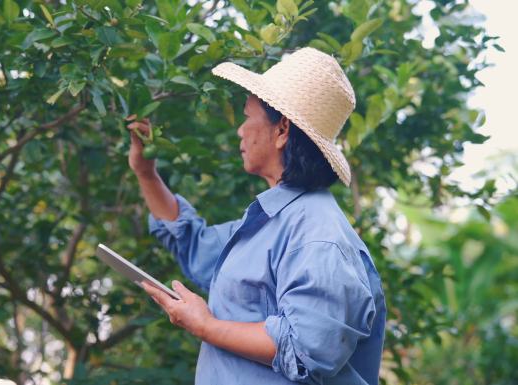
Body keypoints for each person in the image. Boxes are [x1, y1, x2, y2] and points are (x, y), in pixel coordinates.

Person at [127, 47, 386, 385]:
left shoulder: (318, 236)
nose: (240, 130)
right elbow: (196, 246)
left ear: (281, 131)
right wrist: (146, 173)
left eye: (248, 116)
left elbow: (308, 349)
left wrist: (204, 325)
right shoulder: (271, 220)